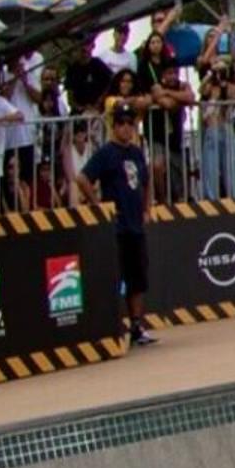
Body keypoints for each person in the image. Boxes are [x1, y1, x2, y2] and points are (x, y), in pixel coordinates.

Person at [83, 101, 157, 347]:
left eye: (130, 123)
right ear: (114, 126)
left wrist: (147, 208)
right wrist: (98, 205)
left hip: (135, 223)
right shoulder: (106, 152)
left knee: (138, 276)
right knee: (117, 276)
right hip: (116, 226)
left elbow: (146, 181)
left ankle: (136, 325)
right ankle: (113, 326)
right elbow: (83, 178)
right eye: (121, 124)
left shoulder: (136, 152)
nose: (126, 128)